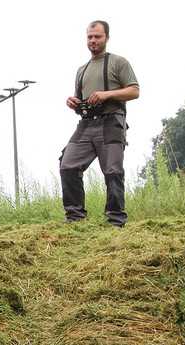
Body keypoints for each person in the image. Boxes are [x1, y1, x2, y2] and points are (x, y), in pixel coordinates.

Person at [59, 20, 139, 227]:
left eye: (97, 36)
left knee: (113, 171)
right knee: (67, 165)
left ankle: (115, 220)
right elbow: (81, 100)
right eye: (90, 37)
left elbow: (134, 91)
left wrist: (106, 95)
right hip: (86, 124)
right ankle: (75, 218)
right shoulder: (81, 70)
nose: (93, 40)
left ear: (107, 38)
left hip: (112, 122)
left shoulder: (118, 62)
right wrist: (73, 102)